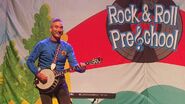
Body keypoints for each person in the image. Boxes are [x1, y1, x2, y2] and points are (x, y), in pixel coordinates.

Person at [26, 17, 86, 104]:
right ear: (51, 29)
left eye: (61, 27)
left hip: (60, 81)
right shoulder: (42, 45)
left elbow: (74, 65)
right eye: (56, 27)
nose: (59, 29)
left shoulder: (67, 47)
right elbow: (29, 61)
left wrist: (82, 68)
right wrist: (38, 74)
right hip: (44, 81)